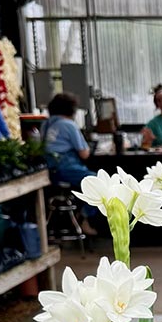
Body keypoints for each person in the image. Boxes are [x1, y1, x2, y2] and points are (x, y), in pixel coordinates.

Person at [43, 92, 98, 235]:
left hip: (50, 172)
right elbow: (84, 154)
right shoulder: (69, 125)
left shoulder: (46, 124)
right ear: (72, 109)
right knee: (97, 182)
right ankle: (84, 217)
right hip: (65, 168)